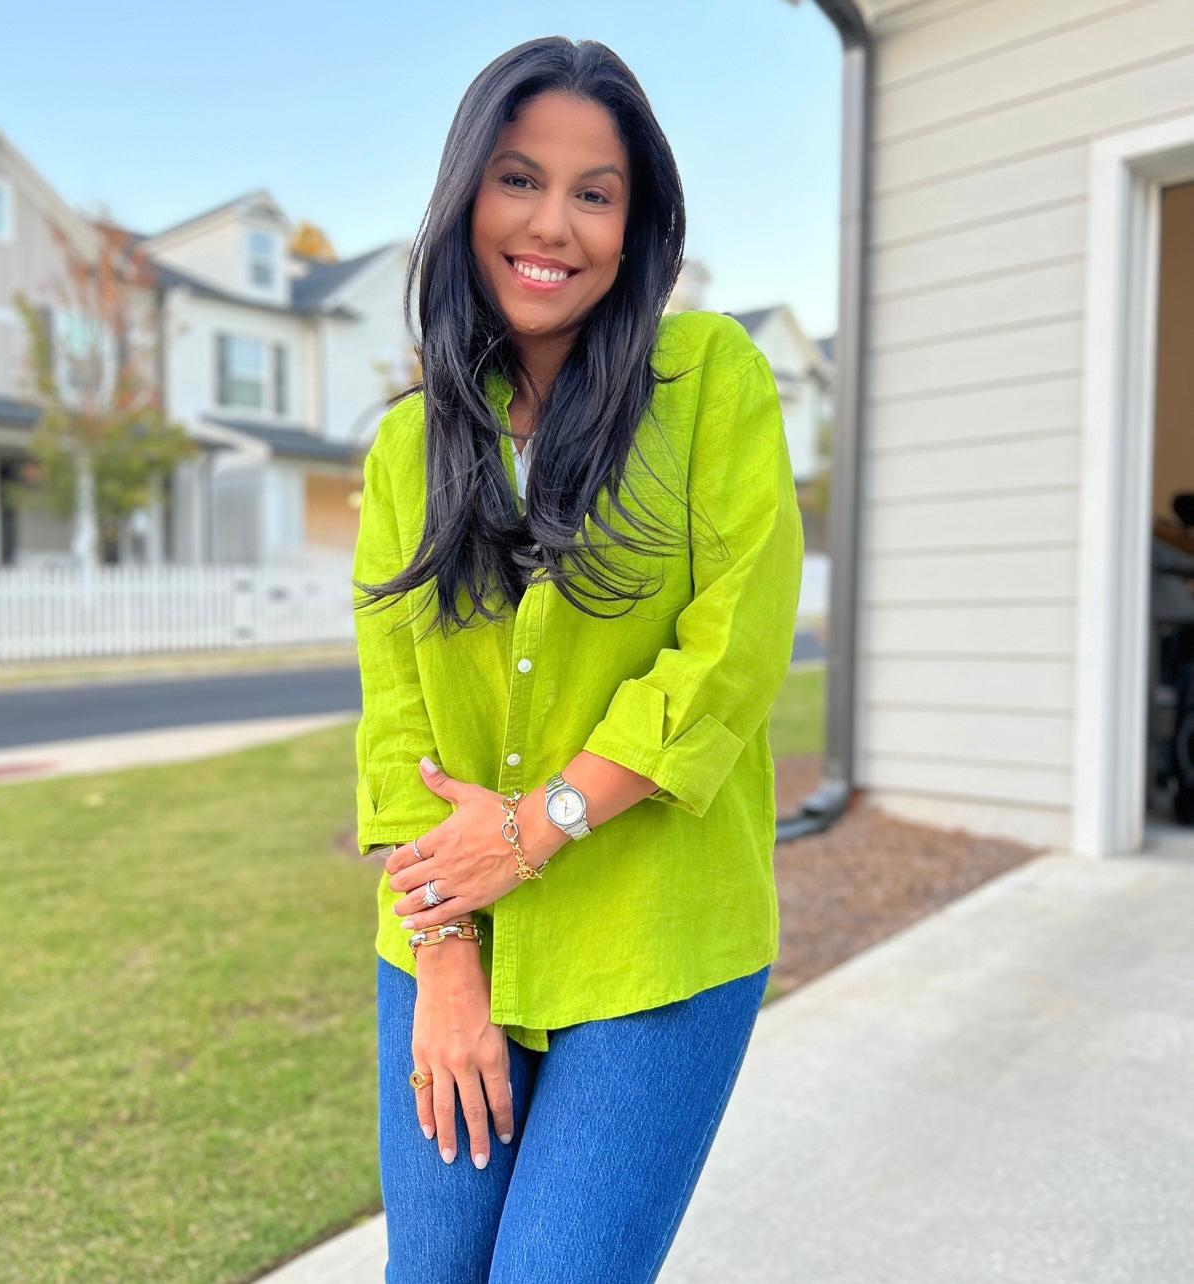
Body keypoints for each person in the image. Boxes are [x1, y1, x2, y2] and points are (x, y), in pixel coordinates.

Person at [352, 34, 804, 1284]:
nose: (553, 223)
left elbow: (733, 649)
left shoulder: (709, 378)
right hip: (450, 942)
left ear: (634, 221)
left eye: (593, 192)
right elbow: (397, 726)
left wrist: (538, 826)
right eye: (518, 179)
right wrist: (444, 963)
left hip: (655, 937)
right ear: (466, 198)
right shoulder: (406, 451)